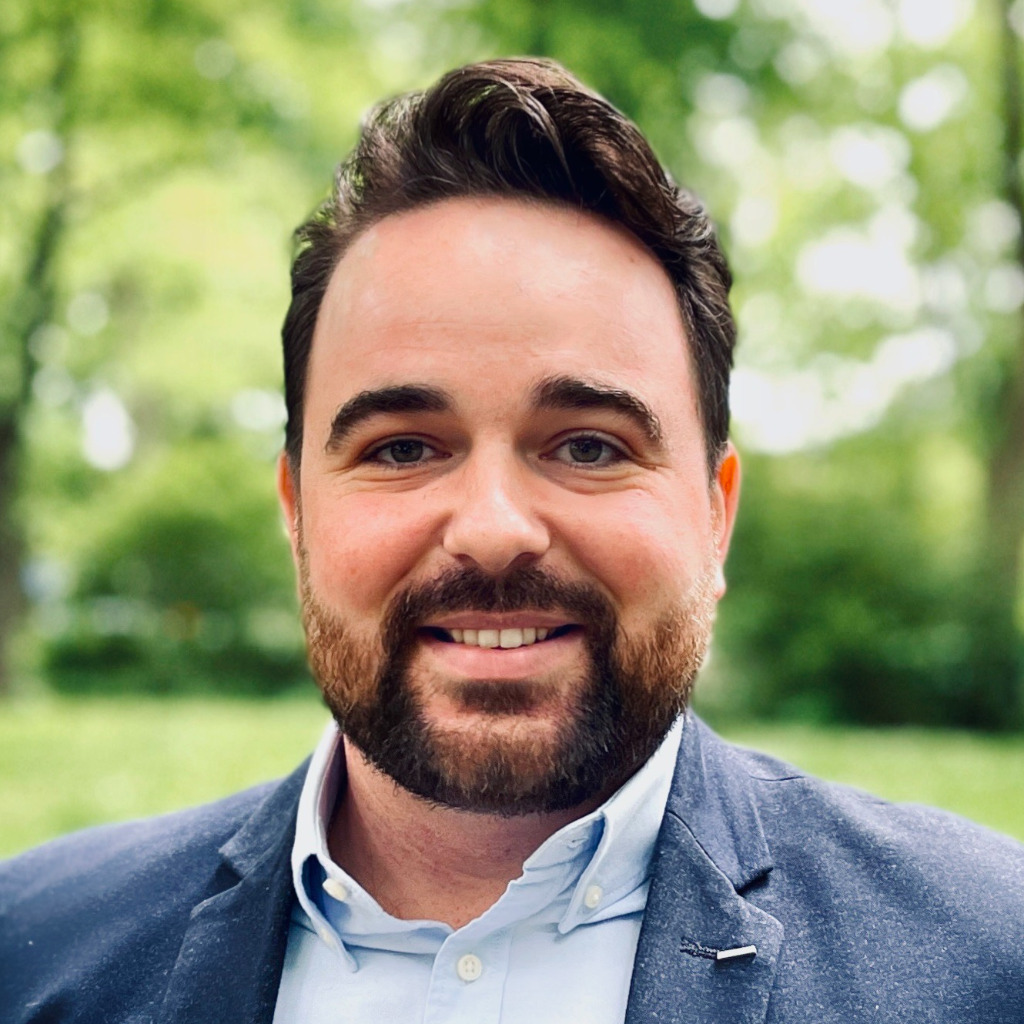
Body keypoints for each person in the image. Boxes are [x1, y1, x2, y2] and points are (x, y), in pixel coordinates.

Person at [2, 57, 1023, 1024]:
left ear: (715, 514)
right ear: (296, 507)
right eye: (403, 448)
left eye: (588, 445)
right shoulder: (33, 953)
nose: (492, 529)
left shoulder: (989, 962)